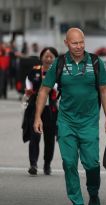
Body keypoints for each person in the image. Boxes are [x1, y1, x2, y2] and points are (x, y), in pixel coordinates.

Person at [33, 28, 106, 205]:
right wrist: (38, 117)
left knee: (92, 164)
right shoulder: (59, 63)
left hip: (89, 123)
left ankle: (93, 192)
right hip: (66, 122)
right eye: (75, 43)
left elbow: (104, 91)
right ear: (66, 43)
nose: (79, 46)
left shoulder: (95, 62)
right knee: (69, 163)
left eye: (81, 42)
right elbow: (43, 90)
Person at [24, 47, 59, 176]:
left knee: (49, 139)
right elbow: (28, 80)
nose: (48, 59)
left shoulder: (58, 72)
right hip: (35, 108)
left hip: (51, 109)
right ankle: (33, 164)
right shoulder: (35, 70)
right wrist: (28, 89)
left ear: (55, 59)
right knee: (34, 137)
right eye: (46, 56)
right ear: (41, 57)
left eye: (51, 57)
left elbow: (60, 87)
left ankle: (47, 164)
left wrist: (53, 85)